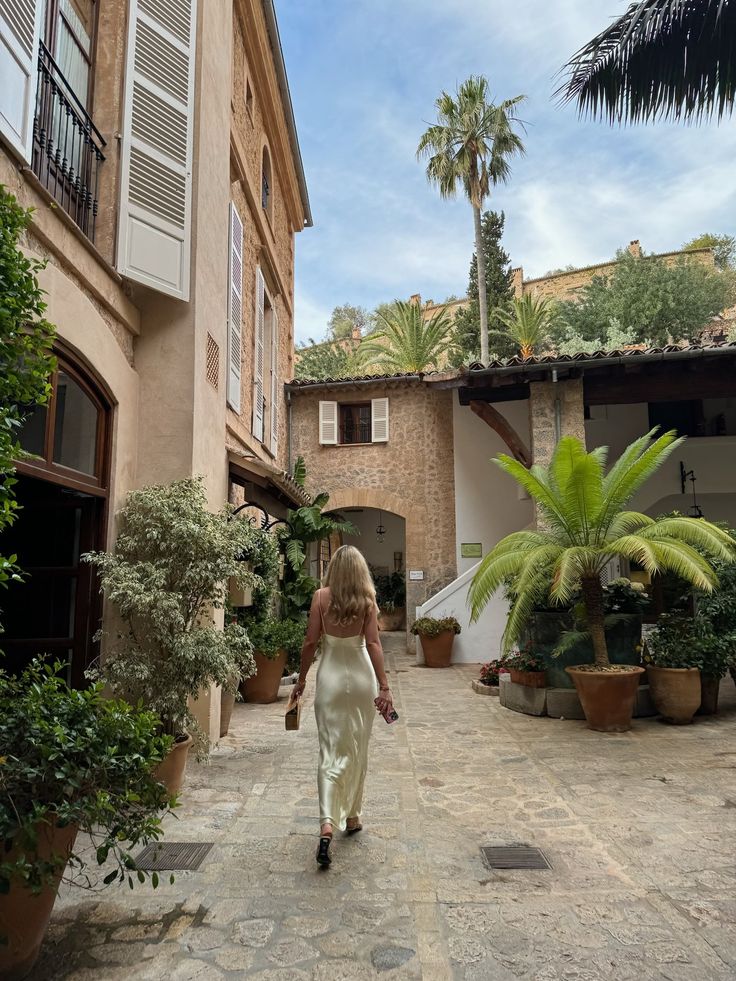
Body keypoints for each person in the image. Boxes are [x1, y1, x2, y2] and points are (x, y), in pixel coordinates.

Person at [294, 545, 394, 868]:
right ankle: (351, 817)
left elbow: (310, 643)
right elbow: (375, 644)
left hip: (331, 679)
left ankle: (326, 824)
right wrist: (385, 686)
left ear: (333, 570)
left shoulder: (320, 598)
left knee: (329, 751)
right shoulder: (367, 601)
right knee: (356, 748)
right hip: (362, 678)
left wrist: (301, 680)